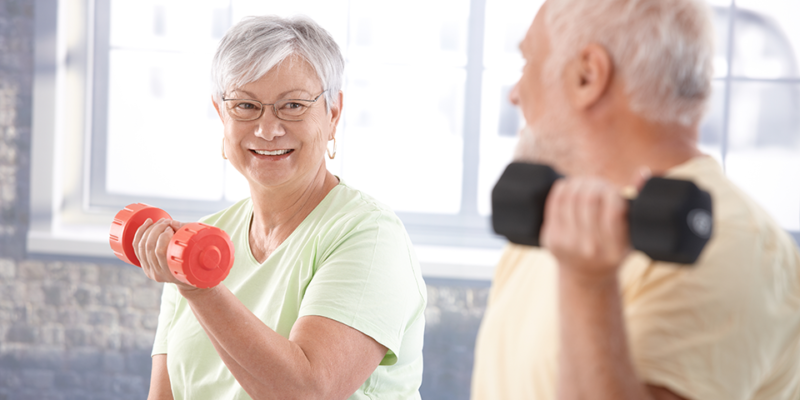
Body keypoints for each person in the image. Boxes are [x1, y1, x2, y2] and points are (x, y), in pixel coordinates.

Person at [471, 0, 800, 399]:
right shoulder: (561, 220)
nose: (515, 94)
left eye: (528, 63)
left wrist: (588, 285)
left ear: (587, 76)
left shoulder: (730, 244)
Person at [133, 15, 427, 400]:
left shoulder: (370, 236)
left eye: (292, 105)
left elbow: (307, 391)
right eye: (245, 105)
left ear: (333, 113)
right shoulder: (199, 240)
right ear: (222, 115)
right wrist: (192, 282)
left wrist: (201, 289)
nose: (267, 129)